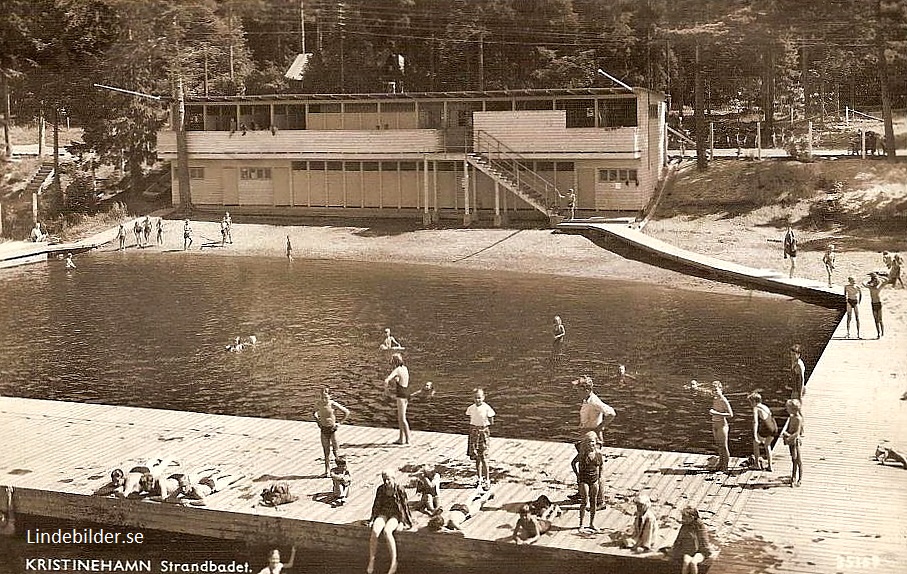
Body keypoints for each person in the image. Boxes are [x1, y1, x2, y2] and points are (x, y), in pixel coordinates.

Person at [367, 471, 412, 574]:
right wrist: (373, 519)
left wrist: (402, 522)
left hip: (396, 515)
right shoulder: (381, 489)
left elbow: (404, 506)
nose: (386, 482)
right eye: (384, 480)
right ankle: (372, 560)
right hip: (383, 513)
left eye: (388, 479)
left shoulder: (399, 489)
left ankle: (393, 561)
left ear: (393, 478)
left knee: (387, 532)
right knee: (375, 531)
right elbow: (376, 505)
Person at [314, 387, 350, 477]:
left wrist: (339, 423)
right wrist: (318, 421)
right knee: (326, 451)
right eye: (322, 397)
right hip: (324, 429)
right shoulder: (319, 404)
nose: (324, 399)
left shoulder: (333, 404)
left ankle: (342, 469)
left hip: (332, 429)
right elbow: (314, 413)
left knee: (336, 451)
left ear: (330, 396)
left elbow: (346, 412)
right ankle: (327, 470)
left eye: (326, 397)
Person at [571, 431, 603, 533]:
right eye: (589, 442)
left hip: (594, 480)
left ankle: (592, 523)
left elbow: (601, 466)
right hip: (584, 480)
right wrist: (577, 474)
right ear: (585, 443)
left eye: (592, 442)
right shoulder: (582, 454)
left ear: (595, 442)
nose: (591, 444)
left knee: (593, 502)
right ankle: (581, 524)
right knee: (584, 501)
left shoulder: (598, 454)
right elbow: (573, 463)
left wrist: (599, 477)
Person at [428, 488, 495, 534]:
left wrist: (448, 532)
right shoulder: (440, 517)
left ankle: (489, 492)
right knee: (469, 500)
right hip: (456, 509)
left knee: (479, 502)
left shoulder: (452, 522)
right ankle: (478, 490)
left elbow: (462, 533)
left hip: (465, 512)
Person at [465, 388, 496, 489]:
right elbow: (470, 417)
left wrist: (485, 427)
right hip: (474, 432)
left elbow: (491, 420)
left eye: (479, 398)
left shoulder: (487, 408)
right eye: (475, 398)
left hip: (483, 432)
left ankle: (487, 480)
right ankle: (479, 479)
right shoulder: (471, 408)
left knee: (484, 457)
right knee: (476, 457)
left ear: (483, 397)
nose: (477, 400)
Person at [670, 506, 712, 574]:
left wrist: (704, 552)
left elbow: (704, 541)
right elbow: (679, 539)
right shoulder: (685, 526)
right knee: (686, 562)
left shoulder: (700, 526)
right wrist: (675, 551)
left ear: (692, 517)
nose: (683, 519)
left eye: (684, 518)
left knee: (693, 563)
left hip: (701, 551)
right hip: (689, 551)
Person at [577, 376, 616, 444]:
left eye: (579, 389)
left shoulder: (594, 401)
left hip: (593, 436)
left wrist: (600, 427)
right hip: (586, 434)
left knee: (592, 454)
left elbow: (611, 414)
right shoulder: (586, 399)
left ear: (587, 390)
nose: (577, 391)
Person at [384, 353, 411, 445]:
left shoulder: (397, 369)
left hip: (401, 395)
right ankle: (401, 438)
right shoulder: (405, 368)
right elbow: (403, 381)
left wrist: (386, 390)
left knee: (402, 418)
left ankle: (408, 440)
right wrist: (397, 380)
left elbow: (387, 380)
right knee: (400, 418)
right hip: (406, 393)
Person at [708, 381, 733, 472]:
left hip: (722, 426)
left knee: (724, 446)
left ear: (721, 389)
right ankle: (720, 463)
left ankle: (725, 466)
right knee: (719, 445)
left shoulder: (723, 400)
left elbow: (730, 414)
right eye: (713, 390)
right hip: (714, 424)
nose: (715, 392)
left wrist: (716, 413)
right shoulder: (715, 399)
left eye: (716, 390)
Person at [747, 391, 776, 471]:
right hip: (774, 427)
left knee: (755, 443)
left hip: (767, 428)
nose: (750, 404)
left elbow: (755, 422)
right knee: (767, 445)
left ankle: (757, 465)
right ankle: (770, 466)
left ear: (754, 402)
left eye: (751, 402)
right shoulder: (765, 406)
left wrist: (755, 435)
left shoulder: (755, 408)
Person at [781, 399, 804, 487]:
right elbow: (788, 428)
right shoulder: (791, 417)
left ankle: (800, 479)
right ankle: (793, 477)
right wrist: (785, 434)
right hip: (791, 441)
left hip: (795, 441)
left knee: (799, 460)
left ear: (793, 409)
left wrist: (789, 438)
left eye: (788, 408)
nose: (786, 410)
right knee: (793, 459)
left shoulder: (798, 419)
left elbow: (797, 432)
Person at [863, 273, 885, 338]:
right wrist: (869, 281)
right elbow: (863, 283)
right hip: (873, 304)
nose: (875, 283)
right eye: (874, 281)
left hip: (878, 304)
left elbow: (886, 280)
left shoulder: (878, 288)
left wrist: (879, 277)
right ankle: (878, 333)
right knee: (876, 320)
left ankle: (882, 332)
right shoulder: (870, 287)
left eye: (876, 281)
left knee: (880, 319)